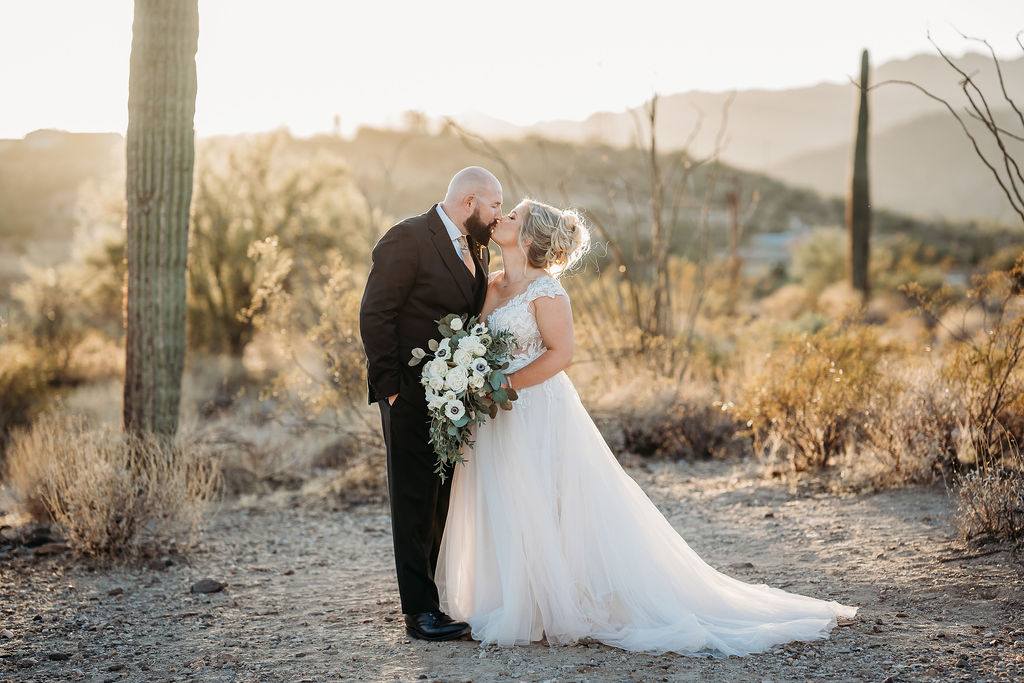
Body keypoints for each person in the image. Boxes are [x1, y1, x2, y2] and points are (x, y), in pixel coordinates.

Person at [435, 199, 858, 656]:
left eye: (512, 216)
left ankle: (552, 601)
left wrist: (504, 383)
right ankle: (512, 597)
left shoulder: (547, 292)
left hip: (535, 407)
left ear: (530, 238)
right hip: (494, 414)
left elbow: (560, 354)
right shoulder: (490, 283)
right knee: (505, 495)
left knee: (548, 497)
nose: (501, 219)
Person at [359, 166, 502, 641]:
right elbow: (375, 312)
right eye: (495, 205)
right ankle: (418, 613)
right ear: (469, 202)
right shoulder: (407, 238)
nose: (498, 215)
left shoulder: (475, 247)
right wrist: (392, 389)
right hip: (408, 393)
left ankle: (433, 602)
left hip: (452, 395)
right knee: (414, 499)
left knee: (439, 497)